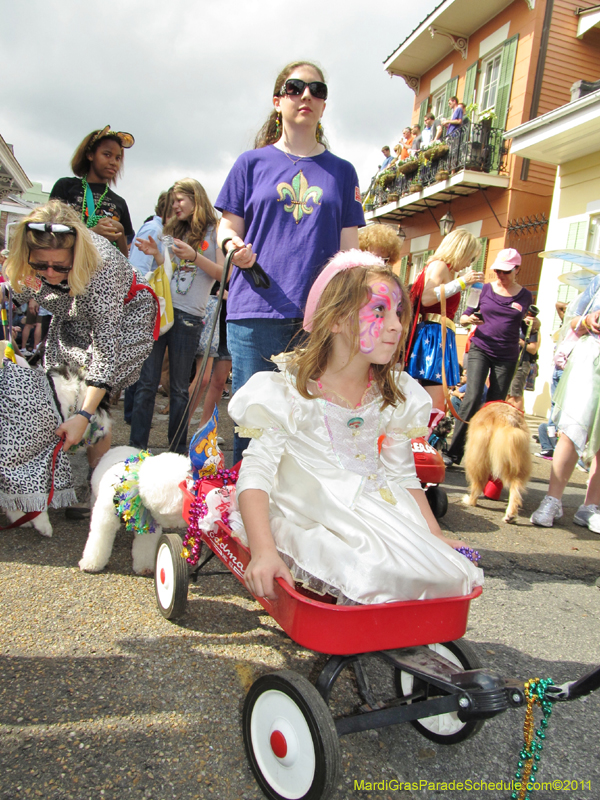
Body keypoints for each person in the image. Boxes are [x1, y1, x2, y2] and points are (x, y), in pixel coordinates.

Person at [228, 250, 482, 603]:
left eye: (398, 312)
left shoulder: (395, 394)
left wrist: (433, 536)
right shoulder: (289, 392)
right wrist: (263, 551)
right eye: (379, 311)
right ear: (335, 320)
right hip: (306, 510)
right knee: (371, 571)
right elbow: (256, 472)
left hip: (369, 507)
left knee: (447, 572)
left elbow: (402, 476)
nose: (396, 325)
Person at [216, 60, 365, 463]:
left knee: (311, 427)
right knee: (254, 423)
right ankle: (247, 502)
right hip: (255, 311)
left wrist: (352, 309)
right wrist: (233, 246)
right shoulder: (250, 163)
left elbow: (350, 253)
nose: (306, 96)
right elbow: (226, 227)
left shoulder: (342, 172)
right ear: (277, 100)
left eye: (317, 90)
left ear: (324, 105)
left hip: (319, 317)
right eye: (295, 88)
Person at [3, 201, 158, 467]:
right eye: (41, 265)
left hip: (125, 317)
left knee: (92, 398)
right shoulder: (34, 262)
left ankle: (97, 482)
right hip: (74, 312)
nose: (49, 273)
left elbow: (105, 353)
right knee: (59, 384)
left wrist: (84, 416)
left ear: (76, 255)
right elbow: (19, 289)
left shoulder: (102, 268)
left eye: (59, 266)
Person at [129, 178, 224, 454]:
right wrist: (158, 256)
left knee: (180, 389)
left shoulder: (216, 230)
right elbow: (170, 271)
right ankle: (136, 450)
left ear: (196, 198)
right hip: (161, 311)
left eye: (180, 200)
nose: (175, 206)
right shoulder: (172, 230)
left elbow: (223, 274)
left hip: (190, 316)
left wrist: (194, 255)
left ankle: (177, 452)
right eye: (173, 202)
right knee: (146, 383)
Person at [444, 248, 533, 466]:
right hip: (481, 348)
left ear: (517, 269)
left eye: (506, 271)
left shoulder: (525, 295)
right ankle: (454, 452)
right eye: (498, 271)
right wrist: (469, 319)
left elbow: (526, 323)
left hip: (507, 354)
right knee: (473, 396)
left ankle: (486, 456)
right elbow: (464, 316)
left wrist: (534, 324)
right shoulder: (483, 289)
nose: (500, 275)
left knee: (495, 404)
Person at [530, 276, 600, 530]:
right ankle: (553, 499)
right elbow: (573, 320)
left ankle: (591, 506)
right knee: (572, 429)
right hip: (590, 360)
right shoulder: (598, 282)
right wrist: (587, 320)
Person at [406, 229, 483, 422]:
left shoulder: (441, 267)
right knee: (435, 402)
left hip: (437, 334)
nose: (469, 263)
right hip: (433, 335)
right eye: (470, 257)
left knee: (433, 400)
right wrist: (461, 283)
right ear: (461, 250)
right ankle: (425, 438)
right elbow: (426, 298)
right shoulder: (440, 266)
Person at [50, 126, 135, 257]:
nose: (113, 162)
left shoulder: (120, 203)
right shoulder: (65, 187)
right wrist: (92, 233)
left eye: (118, 158)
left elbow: (124, 259)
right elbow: (50, 233)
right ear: (90, 155)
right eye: (107, 155)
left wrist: (121, 230)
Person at [507, 305, 540, 412]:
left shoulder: (531, 328)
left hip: (521, 363)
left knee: (515, 394)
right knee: (507, 393)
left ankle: (516, 417)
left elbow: (533, 349)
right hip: (508, 361)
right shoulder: (514, 324)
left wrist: (518, 340)